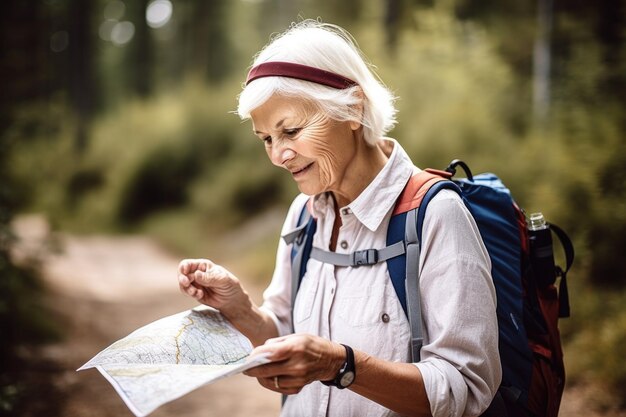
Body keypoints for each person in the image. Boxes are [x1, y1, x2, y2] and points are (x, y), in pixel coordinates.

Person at [177, 20, 501, 417]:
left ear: (352, 108)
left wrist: (340, 365)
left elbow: (465, 387)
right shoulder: (304, 214)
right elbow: (284, 334)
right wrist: (241, 310)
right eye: (266, 139)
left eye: (291, 130)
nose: (279, 155)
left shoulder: (435, 214)